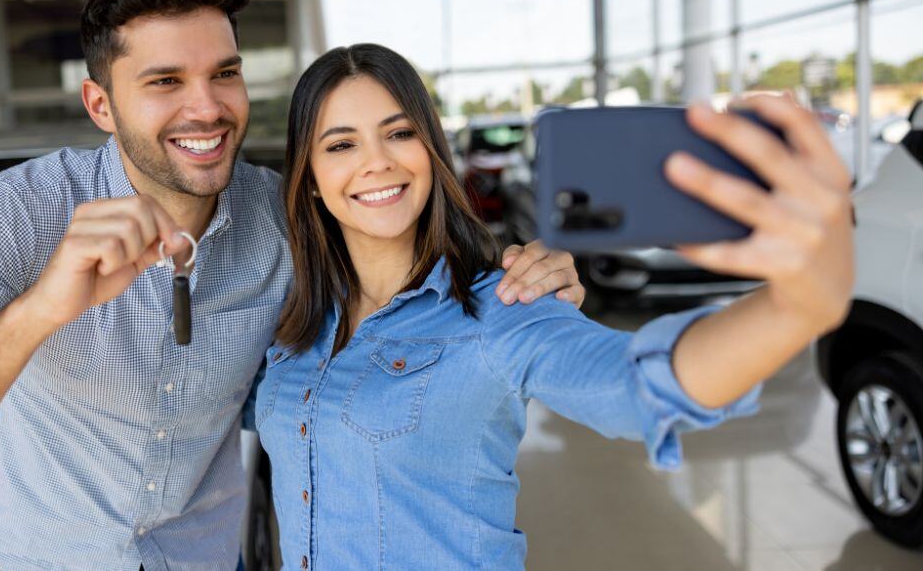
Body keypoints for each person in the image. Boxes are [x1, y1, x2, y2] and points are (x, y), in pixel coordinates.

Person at [0, 0, 584, 570]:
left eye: (224, 73)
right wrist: (39, 310)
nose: (208, 108)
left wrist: (522, 283)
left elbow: (392, 307)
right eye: (164, 82)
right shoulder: (15, 215)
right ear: (100, 105)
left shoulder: (284, 221)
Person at [254, 43, 853, 569]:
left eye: (400, 132)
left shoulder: (505, 308)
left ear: (431, 151)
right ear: (309, 176)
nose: (376, 161)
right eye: (341, 144)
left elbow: (637, 386)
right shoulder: (292, 323)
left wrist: (796, 308)